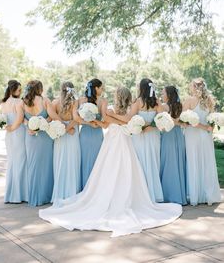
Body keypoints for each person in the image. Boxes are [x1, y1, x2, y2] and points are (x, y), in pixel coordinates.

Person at [39, 87, 182, 238]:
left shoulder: (126, 109)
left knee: (123, 169)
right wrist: (107, 119)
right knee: (111, 170)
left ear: (118, 96)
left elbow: (120, 121)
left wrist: (113, 117)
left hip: (122, 142)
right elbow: (107, 122)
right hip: (113, 142)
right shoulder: (119, 109)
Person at [107, 78, 164, 202]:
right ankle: (154, 194)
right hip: (153, 135)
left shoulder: (138, 102)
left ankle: (142, 195)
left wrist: (113, 115)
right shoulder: (157, 102)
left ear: (142, 88)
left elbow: (129, 119)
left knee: (140, 163)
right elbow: (162, 119)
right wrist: (151, 125)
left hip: (140, 135)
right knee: (153, 162)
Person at [23, 80, 62, 206]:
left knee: (33, 165)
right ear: (40, 89)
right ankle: (45, 196)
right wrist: (44, 122)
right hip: (44, 137)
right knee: (46, 166)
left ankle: (34, 197)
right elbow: (53, 116)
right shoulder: (45, 101)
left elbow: (22, 118)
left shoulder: (23, 102)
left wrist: (29, 126)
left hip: (30, 137)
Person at [183, 78, 221, 206]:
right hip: (205, 135)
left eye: (191, 86)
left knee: (195, 161)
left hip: (193, 135)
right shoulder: (210, 100)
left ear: (195, 87)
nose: (190, 88)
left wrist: (206, 127)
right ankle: (207, 194)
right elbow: (212, 119)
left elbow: (184, 120)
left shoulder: (189, 100)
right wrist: (208, 128)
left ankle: (196, 195)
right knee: (206, 161)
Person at [73, 79, 107, 189]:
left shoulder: (101, 101)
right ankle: (86, 188)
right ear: (96, 88)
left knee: (97, 159)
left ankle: (94, 188)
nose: (102, 90)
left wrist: (90, 122)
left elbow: (77, 119)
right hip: (89, 133)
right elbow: (76, 117)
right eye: (101, 88)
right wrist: (90, 123)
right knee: (85, 159)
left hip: (94, 133)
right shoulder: (81, 101)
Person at [51, 82, 81, 202]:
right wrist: (68, 129)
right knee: (72, 161)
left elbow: (53, 117)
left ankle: (60, 194)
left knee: (60, 161)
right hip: (71, 132)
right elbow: (76, 119)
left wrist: (64, 128)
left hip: (60, 133)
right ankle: (72, 194)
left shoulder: (55, 102)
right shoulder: (75, 102)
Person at [160, 86, 187, 205]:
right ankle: (179, 193)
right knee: (177, 162)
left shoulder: (165, 106)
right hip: (178, 135)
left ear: (168, 95)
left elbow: (160, 121)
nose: (161, 95)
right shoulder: (180, 105)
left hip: (169, 135)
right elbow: (182, 122)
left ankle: (169, 194)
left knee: (168, 162)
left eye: (163, 93)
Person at [2, 80, 28, 203]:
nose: (20, 92)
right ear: (13, 90)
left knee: (12, 162)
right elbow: (20, 119)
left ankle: (10, 194)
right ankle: (19, 195)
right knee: (21, 162)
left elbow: (2, 120)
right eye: (19, 90)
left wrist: (9, 128)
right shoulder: (18, 102)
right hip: (18, 133)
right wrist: (12, 128)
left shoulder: (4, 103)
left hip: (9, 135)